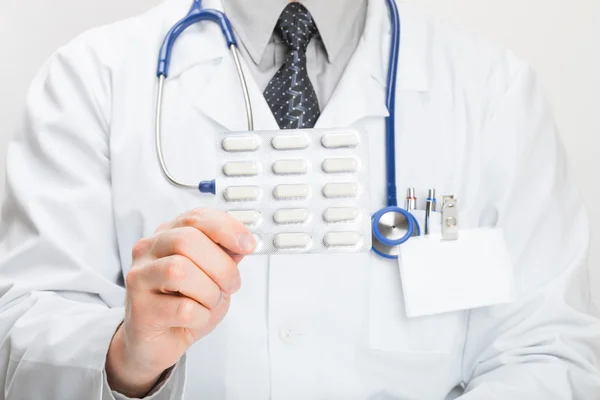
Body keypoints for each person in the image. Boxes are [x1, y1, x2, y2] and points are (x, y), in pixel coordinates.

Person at [1, 0, 599, 398]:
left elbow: (550, 350)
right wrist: (125, 359)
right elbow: (20, 341)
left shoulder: (491, 91)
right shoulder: (93, 80)